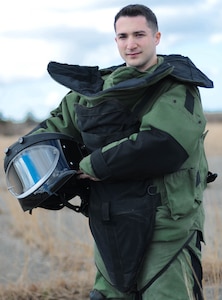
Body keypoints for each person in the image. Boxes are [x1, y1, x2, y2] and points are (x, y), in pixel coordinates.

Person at [18, 4, 216, 299]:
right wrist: (32, 168)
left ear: (157, 37)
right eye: (123, 36)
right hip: (111, 221)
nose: (131, 43)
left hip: (167, 224)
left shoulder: (175, 86)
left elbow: (165, 144)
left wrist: (93, 165)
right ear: (116, 41)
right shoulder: (94, 93)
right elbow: (51, 133)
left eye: (139, 34)